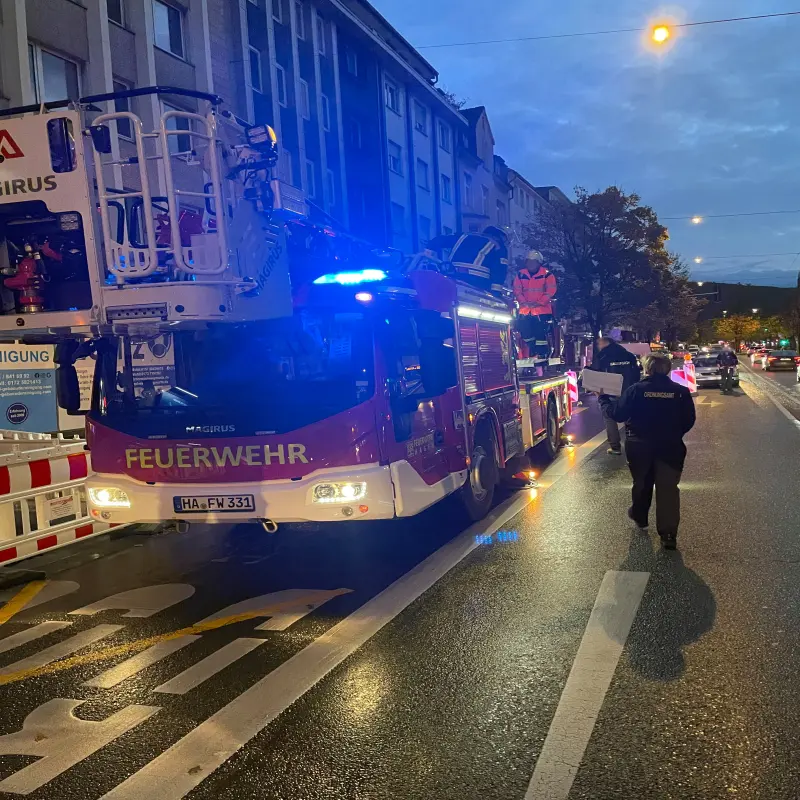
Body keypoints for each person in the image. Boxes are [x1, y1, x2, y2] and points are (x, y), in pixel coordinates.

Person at [599, 353, 696, 550]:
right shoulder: (680, 392)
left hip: (639, 445)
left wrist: (603, 400)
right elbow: (689, 420)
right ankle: (668, 534)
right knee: (668, 489)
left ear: (648, 369)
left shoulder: (636, 390)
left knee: (641, 483)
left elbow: (618, 414)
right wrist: (674, 433)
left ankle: (640, 517)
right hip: (670, 447)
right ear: (667, 369)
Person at [591, 336, 641, 454]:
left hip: (610, 393)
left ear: (605, 343)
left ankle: (615, 447)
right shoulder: (629, 355)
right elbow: (636, 373)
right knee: (630, 418)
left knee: (610, 418)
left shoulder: (602, 357)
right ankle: (634, 445)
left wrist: (598, 391)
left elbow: (595, 374)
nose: (598, 346)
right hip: (629, 392)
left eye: (599, 344)